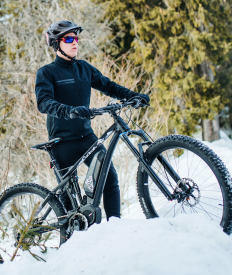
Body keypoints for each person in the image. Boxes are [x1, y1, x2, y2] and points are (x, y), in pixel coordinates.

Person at [35, 20, 149, 220]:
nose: (75, 42)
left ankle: (114, 225)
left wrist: (132, 96)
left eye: (76, 38)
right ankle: (69, 241)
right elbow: (44, 102)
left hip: (86, 137)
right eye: (69, 38)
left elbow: (109, 86)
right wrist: (70, 111)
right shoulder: (47, 72)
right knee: (69, 201)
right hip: (61, 142)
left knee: (110, 178)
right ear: (56, 43)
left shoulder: (84, 68)